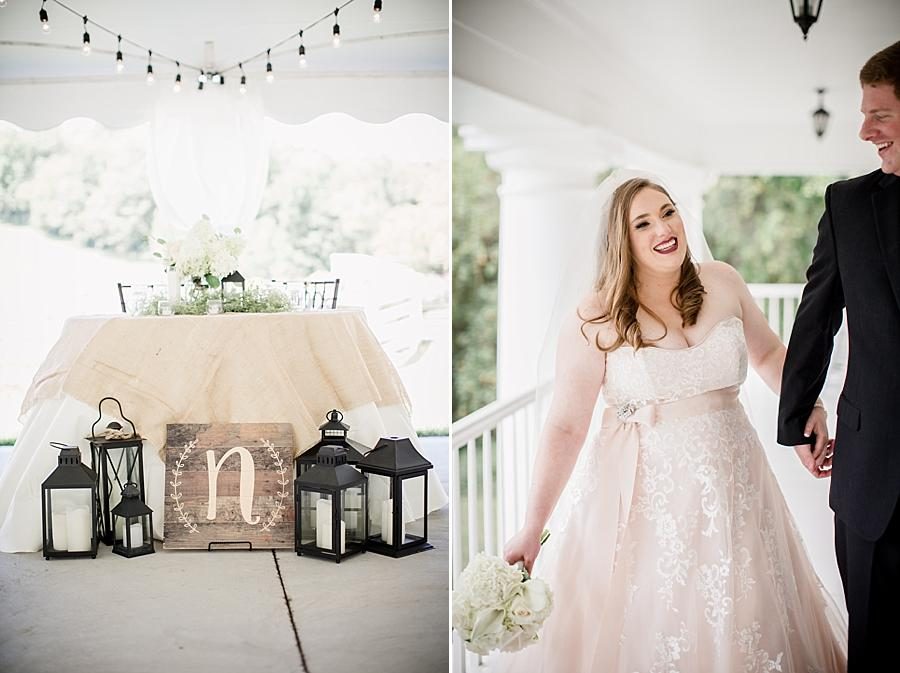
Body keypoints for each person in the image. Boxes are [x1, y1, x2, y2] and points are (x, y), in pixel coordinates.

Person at [499, 171, 846, 672]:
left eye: (668, 212)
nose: (664, 228)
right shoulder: (595, 316)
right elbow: (566, 427)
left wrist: (807, 403)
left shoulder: (722, 281)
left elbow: (770, 352)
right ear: (623, 242)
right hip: (651, 505)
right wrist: (533, 527)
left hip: (738, 489)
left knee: (750, 612)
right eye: (643, 223)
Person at [778, 40, 900, 671]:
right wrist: (799, 410)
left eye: (880, 114)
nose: (864, 131)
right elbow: (816, 314)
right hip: (870, 473)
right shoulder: (848, 204)